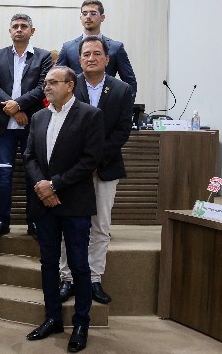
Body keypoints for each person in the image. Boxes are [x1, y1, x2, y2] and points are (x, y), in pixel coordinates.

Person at [24, 66, 104, 353]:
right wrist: (42, 187)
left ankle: (81, 323)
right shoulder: (39, 116)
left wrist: (54, 185)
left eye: (53, 82)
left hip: (74, 202)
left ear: (70, 85)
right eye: (45, 82)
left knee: (79, 265)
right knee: (48, 263)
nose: (47, 87)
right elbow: (29, 156)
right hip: (44, 203)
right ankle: (53, 318)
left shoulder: (90, 115)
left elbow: (89, 160)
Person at [59, 36, 133, 305]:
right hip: (72, 168)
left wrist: (93, 160)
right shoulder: (68, 85)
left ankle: (93, 278)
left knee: (100, 225)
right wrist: (81, 163)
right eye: (86, 54)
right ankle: (67, 278)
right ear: (79, 60)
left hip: (105, 168)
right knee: (69, 225)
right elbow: (61, 127)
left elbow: (122, 131)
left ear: (107, 59)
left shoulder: (122, 90)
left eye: (97, 54)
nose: (91, 58)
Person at [0, 14, 52, 239]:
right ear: (10, 31)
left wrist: (20, 105)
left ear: (32, 31)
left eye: (24, 26)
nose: (19, 29)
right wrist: (14, 109)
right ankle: (2, 221)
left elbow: (43, 87)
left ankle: (33, 222)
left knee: (33, 175)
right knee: (4, 175)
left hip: (32, 125)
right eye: (15, 26)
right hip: (4, 127)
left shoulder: (43, 56)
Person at [57, 0, 137, 98]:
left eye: (93, 13)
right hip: (76, 103)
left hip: (107, 101)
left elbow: (130, 81)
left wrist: (126, 104)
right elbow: (57, 78)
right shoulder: (68, 48)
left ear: (102, 17)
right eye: (84, 13)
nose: (88, 16)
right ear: (80, 17)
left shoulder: (116, 48)